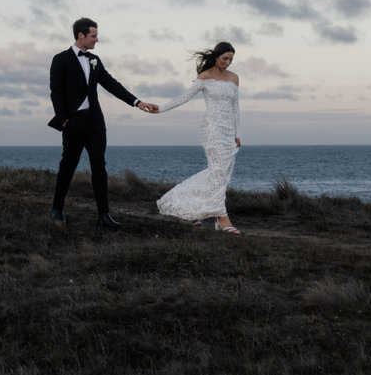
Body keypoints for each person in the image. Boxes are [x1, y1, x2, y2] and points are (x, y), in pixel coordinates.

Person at [49, 17, 158, 230]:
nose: (97, 40)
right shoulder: (60, 59)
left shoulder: (95, 60)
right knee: (67, 167)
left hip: (96, 124)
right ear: (81, 35)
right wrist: (64, 120)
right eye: (94, 36)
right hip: (73, 123)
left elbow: (111, 84)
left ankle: (104, 215)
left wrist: (138, 102)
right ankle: (57, 209)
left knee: (100, 169)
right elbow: (56, 92)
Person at [154, 41, 243, 234]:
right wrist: (160, 109)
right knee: (218, 173)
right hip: (212, 129)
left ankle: (195, 208)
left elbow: (236, 108)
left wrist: (238, 134)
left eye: (230, 59)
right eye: (225, 58)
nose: (227, 63)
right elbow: (184, 97)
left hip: (229, 133)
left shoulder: (234, 78)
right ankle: (222, 218)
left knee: (220, 174)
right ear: (216, 56)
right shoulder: (205, 76)